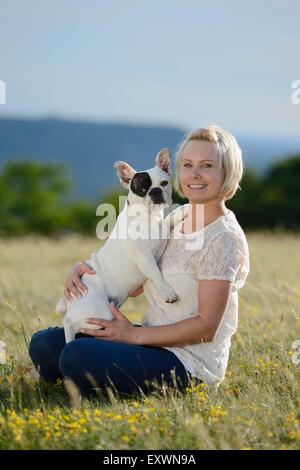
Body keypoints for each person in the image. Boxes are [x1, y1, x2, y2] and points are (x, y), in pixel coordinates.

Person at [29, 124, 249, 398]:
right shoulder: (175, 219)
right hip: (149, 341)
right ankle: (87, 374)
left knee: (75, 354)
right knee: (44, 344)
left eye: (206, 165)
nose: (195, 174)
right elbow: (133, 285)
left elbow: (206, 328)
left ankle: (87, 377)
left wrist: (132, 336)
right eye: (188, 164)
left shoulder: (222, 238)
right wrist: (86, 270)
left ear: (227, 172)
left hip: (187, 363)